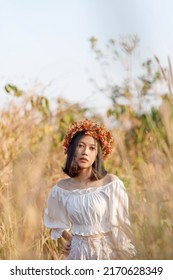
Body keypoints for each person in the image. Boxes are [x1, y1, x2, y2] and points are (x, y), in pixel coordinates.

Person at [44, 119, 136, 260]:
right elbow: (55, 220)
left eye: (92, 148)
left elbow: (120, 225)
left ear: (97, 154)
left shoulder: (111, 184)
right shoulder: (61, 188)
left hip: (106, 252)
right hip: (77, 254)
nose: (85, 152)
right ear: (72, 150)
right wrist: (70, 240)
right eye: (80, 146)